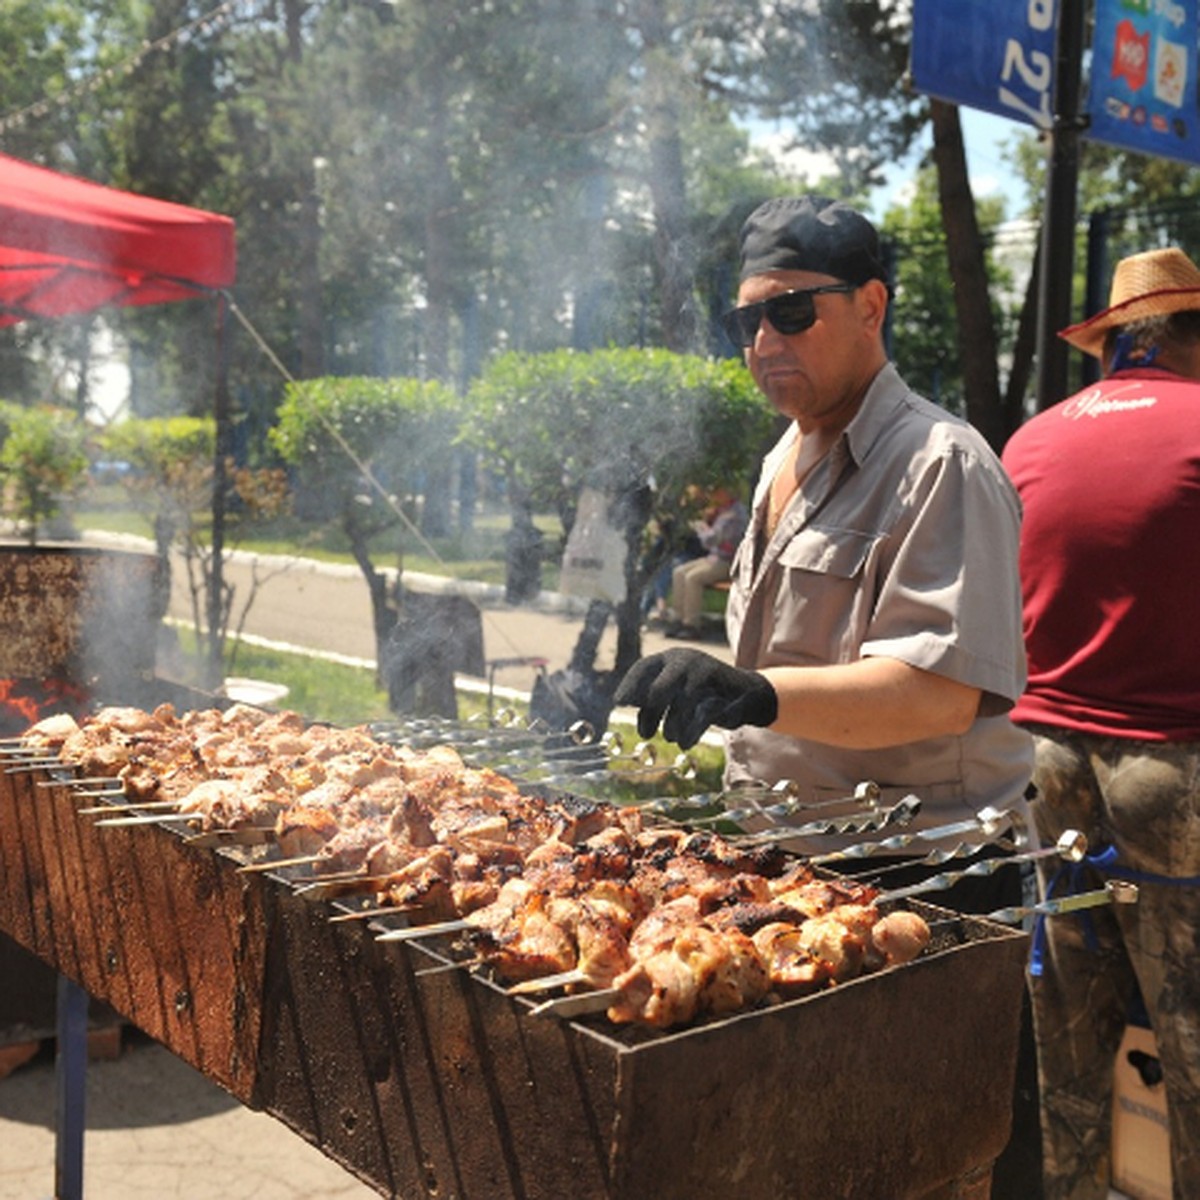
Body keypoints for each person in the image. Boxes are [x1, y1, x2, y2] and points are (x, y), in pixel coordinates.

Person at [615, 195, 1032, 840]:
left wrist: (755, 693)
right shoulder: (782, 454)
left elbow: (942, 695)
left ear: (870, 307)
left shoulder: (941, 462)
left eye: (790, 311)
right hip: (783, 843)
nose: (763, 340)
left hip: (916, 868)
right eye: (745, 320)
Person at [1001, 246, 1200, 1200]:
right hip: (1171, 777)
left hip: (1046, 771)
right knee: (1192, 1050)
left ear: (1113, 346)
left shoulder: (1030, 440)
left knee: (1070, 1050)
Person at [663, 484, 747, 639]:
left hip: (729, 562)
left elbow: (712, 540)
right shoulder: (723, 510)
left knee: (693, 578)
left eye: (716, 491)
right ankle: (677, 620)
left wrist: (700, 527)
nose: (712, 495)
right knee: (679, 572)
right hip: (714, 558)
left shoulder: (735, 514)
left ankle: (691, 625)